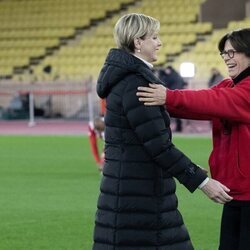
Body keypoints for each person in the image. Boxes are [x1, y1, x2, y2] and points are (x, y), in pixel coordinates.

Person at [93, 13, 232, 250]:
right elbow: (158, 146)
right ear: (138, 42)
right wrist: (203, 182)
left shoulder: (125, 79)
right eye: (154, 37)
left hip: (128, 190)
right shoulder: (138, 84)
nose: (159, 42)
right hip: (140, 195)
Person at [136, 27, 250, 250]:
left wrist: (168, 96)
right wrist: (160, 100)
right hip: (236, 192)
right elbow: (198, 108)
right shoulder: (230, 85)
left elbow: (212, 100)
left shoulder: (242, 90)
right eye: (224, 53)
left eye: (233, 52)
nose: (227, 58)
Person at [158, 65, 187, 132]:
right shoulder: (177, 75)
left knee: (171, 112)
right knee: (177, 113)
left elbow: (164, 83)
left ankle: (174, 128)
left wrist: (161, 75)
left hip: (172, 96)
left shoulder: (171, 76)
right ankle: (178, 127)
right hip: (178, 95)